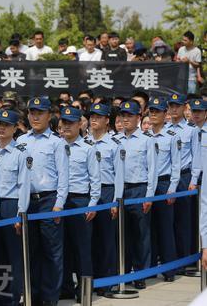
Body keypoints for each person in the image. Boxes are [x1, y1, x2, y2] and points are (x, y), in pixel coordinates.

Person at [17, 97, 69, 305]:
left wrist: (59, 203)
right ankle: (32, 294)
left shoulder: (57, 142)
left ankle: (49, 298)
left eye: (40, 112)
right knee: (30, 250)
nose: (35, 116)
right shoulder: (21, 141)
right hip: (27, 201)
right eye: (32, 112)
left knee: (51, 251)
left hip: (49, 200)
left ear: (49, 115)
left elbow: (63, 176)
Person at [59, 106, 101, 302]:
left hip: (80, 200)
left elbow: (95, 179)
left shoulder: (88, 148)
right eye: (64, 122)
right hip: (59, 201)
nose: (66, 126)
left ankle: (84, 289)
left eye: (70, 123)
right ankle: (65, 286)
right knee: (63, 246)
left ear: (79, 124)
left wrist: (92, 204)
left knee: (82, 247)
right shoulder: (56, 146)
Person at [0, 108, 31, 305]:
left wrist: (20, 212)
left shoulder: (20, 153)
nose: (2, 128)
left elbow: (24, 185)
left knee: (14, 255)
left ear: (15, 128)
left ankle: (15, 297)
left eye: (7, 125)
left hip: (11, 205)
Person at [117, 100, 157, 289]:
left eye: (130, 115)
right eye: (123, 115)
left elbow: (152, 170)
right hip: (121, 190)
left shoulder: (147, 140)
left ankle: (140, 274)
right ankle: (124, 272)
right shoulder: (116, 139)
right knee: (122, 234)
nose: (125, 119)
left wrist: (149, 195)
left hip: (140, 189)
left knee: (141, 234)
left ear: (138, 118)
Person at [87, 103, 124, 294]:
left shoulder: (114, 144)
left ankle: (107, 281)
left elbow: (119, 175)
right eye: (92, 116)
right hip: (87, 194)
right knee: (89, 241)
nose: (94, 119)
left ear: (106, 120)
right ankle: (90, 280)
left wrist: (116, 200)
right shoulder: (84, 141)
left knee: (106, 240)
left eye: (98, 116)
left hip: (107, 192)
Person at [148, 97, 180, 281]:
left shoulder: (171, 136)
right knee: (149, 228)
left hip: (164, 183)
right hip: (147, 186)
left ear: (164, 114)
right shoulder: (145, 136)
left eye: (157, 111)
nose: (153, 114)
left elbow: (176, 165)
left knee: (165, 229)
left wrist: (172, 188)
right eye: (151, 111)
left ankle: (169, 270)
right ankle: (150, 268)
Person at [166, 94, 197, 267]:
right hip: (168, 177)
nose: (174, 109)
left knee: (184, 220)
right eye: (171, 105)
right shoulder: (164, 129)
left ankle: (185, 259)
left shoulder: (191, 129)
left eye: (177, 105)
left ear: (184, 107)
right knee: (168, 221)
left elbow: (196, 157)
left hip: (185, 177)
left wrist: (193, 180)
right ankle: (171, 260)